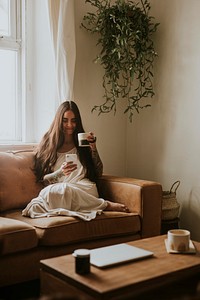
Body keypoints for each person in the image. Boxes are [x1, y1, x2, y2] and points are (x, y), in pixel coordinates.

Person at [22, 100, 129, 221]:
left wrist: (93, 148)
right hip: (61, 192)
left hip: (84, 190)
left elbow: (98, 172)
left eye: (73, 120)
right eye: (65, 120)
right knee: (51, 193)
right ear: (58, 121)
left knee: (64, 190)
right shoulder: (48, 143)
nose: (69, 125)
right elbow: (45, 181)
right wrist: (60, 173)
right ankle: (100, 204)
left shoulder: (82, 141)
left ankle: (105, 205)